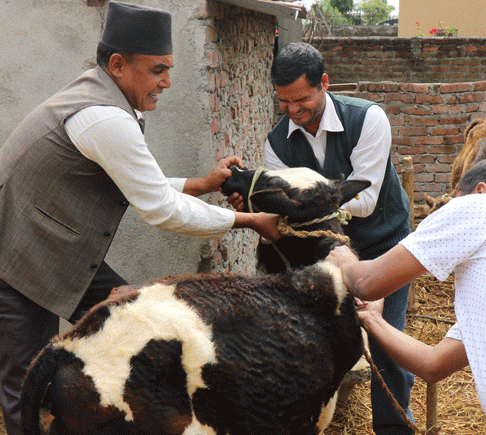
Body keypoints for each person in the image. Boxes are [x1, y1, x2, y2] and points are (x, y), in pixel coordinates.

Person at [0, 3, 280, 435]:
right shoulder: (104, 118)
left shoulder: (107, 101)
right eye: (157, 70)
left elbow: (141, 181)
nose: (166, 82)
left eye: (168, 69)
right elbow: (159, 208)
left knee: (129, 310)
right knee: (26, 381)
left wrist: (202, 183)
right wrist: (250, 221)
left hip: (60, 250)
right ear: (117, 65)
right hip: (17, 258)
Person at [327, 157, 486, 435]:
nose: (449, 207)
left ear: (480, 191)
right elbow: (433, 365)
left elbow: (367, 283)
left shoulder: (483, 208)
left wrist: (340, 258)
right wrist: (373, 320)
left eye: (454, 198)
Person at [266, 42, 415, 434]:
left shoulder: (368, 118)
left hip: (384, 242)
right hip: (323, 250)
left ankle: (394, 428)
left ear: (325, 83)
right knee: (314, 338)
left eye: (302, 100)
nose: (293, 112)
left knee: (386, 341)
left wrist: (305, 202)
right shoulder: (276, 142)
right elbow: (283, 204)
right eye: (283, 102)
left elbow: (364, 201)